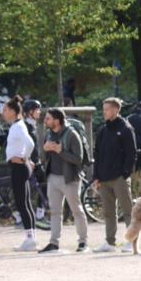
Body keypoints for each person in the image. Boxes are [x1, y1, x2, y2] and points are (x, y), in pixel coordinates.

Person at [38, 108, 88, 254]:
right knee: (54, 212)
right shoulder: (48, 134)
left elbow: (78, 159)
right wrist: (45, 149)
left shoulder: (72, 134)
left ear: (57, 120)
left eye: (48, 118)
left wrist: (61, 151)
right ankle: (54, 243)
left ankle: (83, 242)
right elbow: (43, 158)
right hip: (52, 177)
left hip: (70, 179)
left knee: (76, 210)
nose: (45, 121)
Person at [91, 98, 136, 253]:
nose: (104, 112)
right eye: (103, 109)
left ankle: (132, 242)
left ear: (116, 110)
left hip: (119, 178)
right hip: (103, 179)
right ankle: (110, 243)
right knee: (109, 213)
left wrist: (125, 174)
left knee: (128, 211)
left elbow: (131, 154)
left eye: (107, 109)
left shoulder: (126, 128)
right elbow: (97, 155)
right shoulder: (102, 130)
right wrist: (96, 176)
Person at [1, 96, 37, 251]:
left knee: (22, 203)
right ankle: (31, 238)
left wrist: (24, 158)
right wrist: (26, 158)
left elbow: (30, 143)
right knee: (25, 202)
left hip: (19, 167)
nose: (3, 113)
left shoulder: (18, 126)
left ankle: (30, 239)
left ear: (12, 111)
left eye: (5, 110)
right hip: (20, 167)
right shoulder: (17, 125)